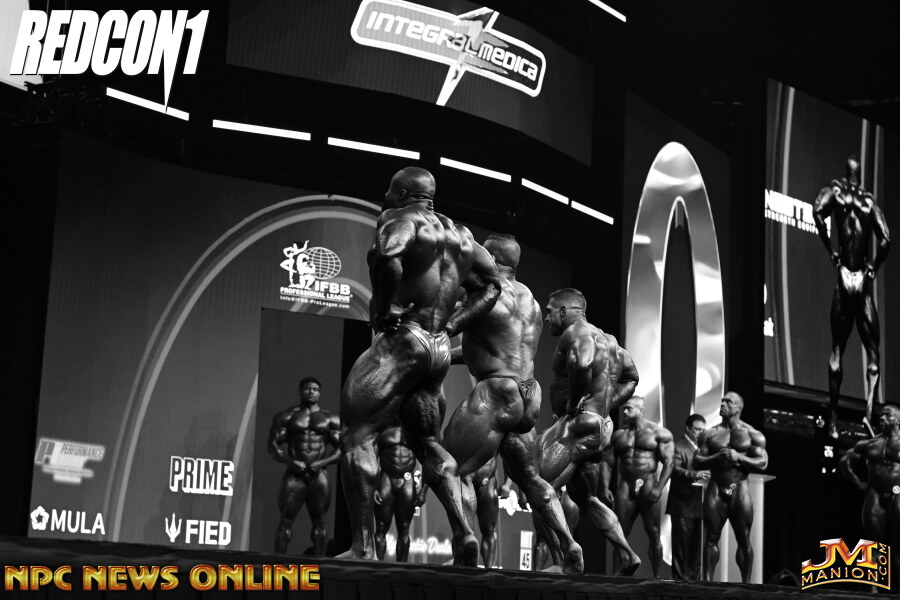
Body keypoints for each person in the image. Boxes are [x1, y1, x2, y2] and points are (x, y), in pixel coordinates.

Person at [339, 167, 501, 563]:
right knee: (427, 444)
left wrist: (384, 307)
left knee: (357, 435)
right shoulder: (462, 235)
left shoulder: (400, 217)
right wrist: (453, 325)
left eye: (389, 190)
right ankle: (464, 533)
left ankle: (363, 549)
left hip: (404, 340)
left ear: (402, 193)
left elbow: (389, 256)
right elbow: (491, 285)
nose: (385, 196)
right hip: (439, 347)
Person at [443, 234, 583, 572]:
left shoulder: (486, 291)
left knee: (450, 467)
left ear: (490, 258)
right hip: (527, 394)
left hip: (497, 391)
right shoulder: (530, 301)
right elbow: (496, 346)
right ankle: (569, 545)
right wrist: (447, 356)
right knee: (532, 480)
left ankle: (465, 547)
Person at [534, 287, 642, 575]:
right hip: (601, 427)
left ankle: (563, 558)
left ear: (564, 311)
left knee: (539, 487)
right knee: (586, 499)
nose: (547, 318)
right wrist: (604, 406)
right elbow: (632, 378)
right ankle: (627, 554)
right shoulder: (610, 341)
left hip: (579, 425)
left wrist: (574, 403)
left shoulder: (576, 333)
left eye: (549, 311)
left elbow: (581, 363)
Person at [813, 155, 890, 438]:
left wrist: (830, 249)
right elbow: (886, 238)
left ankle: (833, 421)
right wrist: (873, 266)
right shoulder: (869, 201)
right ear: (860, 174)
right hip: (863, 279)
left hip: (845, 275)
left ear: (847, 172)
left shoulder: (835, 190)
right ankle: (868, 416)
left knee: (837, 348)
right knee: (873, 353)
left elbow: (817, 212)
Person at [692, 391, 768, 583]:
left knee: (744, 539)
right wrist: (715, 458)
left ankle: (746, 585)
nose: (723, 404)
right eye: (722, 401)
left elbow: (762, 463)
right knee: (710, 538)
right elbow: (697, 461)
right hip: (716, 488)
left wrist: (738, 457)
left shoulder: (752, 434)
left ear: (738, 407)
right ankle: (707, 583)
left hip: (739, 487)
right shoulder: (710, 433)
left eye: (728, 402)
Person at [600, 396, 674, 577]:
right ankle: (617, 577)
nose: (624, 412)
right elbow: (608, 462)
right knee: (619, 534)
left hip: (648, 483)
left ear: (641, 411)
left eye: (629, 409)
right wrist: (605, 487)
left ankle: (657, 578)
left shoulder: (658, 433)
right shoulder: (619, 435)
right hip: (626, 485)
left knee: (654, 533)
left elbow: (669, 462)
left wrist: (659, 488)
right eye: (624, 409)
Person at [269, 377, 341, 555]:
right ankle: (279, 564)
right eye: (307, 389)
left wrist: (322, 463)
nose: (311, 392)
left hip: (319, 475)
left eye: (315, 389)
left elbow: (343, 449)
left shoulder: (330, 419)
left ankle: (319, 566)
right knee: (285, 520)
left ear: (319, 393)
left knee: (320, 522)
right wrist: (291, 462)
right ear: (300, 391)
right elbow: (273, 446)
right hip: (294, 475)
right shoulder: (287, 416)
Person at [839, 404, 900, 577]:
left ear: (898, 420)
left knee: (899, 547)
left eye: (887, 415)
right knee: (873, 545)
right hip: (875, 495)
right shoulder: (871, 443)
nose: (882, 418)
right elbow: (844, 461)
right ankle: (873, 589)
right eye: (881, 415)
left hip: (897, 494)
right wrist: (858, 483)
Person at [373, 424, 427, 562]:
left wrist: (423, 491)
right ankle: (377, 567)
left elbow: (428, 461)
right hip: (386, 478)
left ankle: (402, 568)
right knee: (381, 528)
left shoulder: (415, 431)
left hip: (407, 480)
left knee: (404, 528)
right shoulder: (383, 428)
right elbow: (373, 459)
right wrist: (373, 487)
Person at [666, 413, 710, 580]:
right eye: (697, 429)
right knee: (681, 549)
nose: (701, 433)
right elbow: (675, 469)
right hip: (682, 504)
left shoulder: (705, 450)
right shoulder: (678, 447)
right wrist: (695, 474)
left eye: (703, 430)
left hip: (699, 504)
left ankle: (695, 586)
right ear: (688, 429)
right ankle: (679, 584)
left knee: (696, 550)